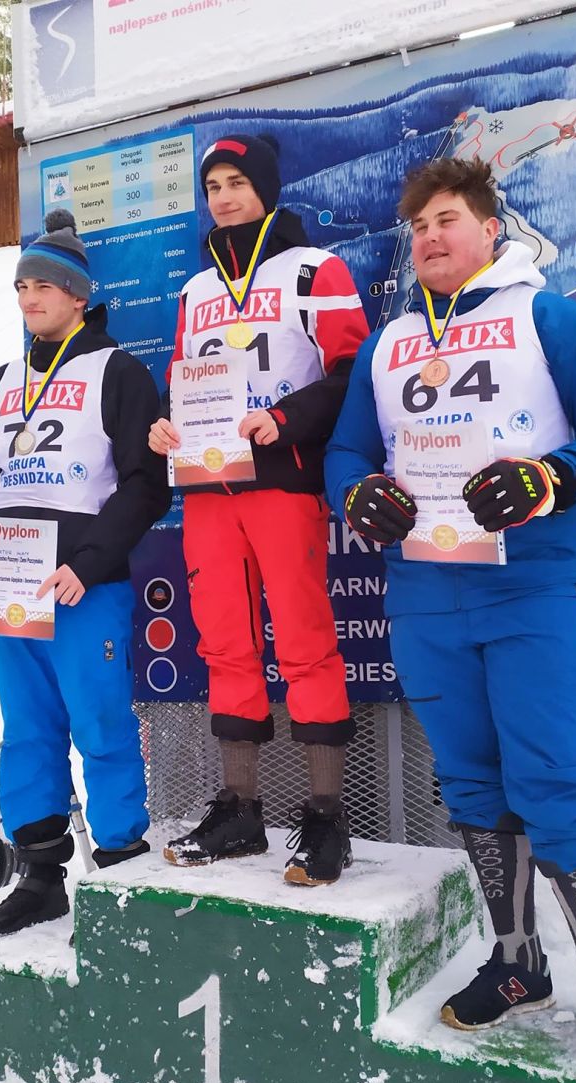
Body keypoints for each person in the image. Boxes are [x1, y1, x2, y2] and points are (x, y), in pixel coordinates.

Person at [324, 157, 576, 1072]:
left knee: (554, 775)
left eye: (447, 219)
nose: (430, 237)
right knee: (472, 781)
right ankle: (518, 964)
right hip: (424, 592)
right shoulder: (389, 343)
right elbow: (347, 451)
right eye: (418, 226)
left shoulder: (543, 315)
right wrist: (357, 494)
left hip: (529, 585)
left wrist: (551, 476)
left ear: (489, 230)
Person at [148, 134, 369, 885]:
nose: (224, 198)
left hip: (282, 477)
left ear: (265, 188)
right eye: (212, 187)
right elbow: (185, 380)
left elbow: (352, 372)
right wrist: (165, 424)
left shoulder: (314, 269)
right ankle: (240, 809)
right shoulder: (194, 292)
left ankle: (326, 815)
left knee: (304, 640)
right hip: (209, 488)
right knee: (223, 644)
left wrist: (288, 418)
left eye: (236, 182)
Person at [0, 209, 170, 938]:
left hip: (82, 586)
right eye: (21, 286)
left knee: (101, 724)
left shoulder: (118, 372)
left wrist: (90, 560)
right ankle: (41, 876)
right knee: (28, 730)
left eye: (43, 285)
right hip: (10, 589)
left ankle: (122, 870)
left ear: (78, 295)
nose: (29, 297)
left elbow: (146, 485)